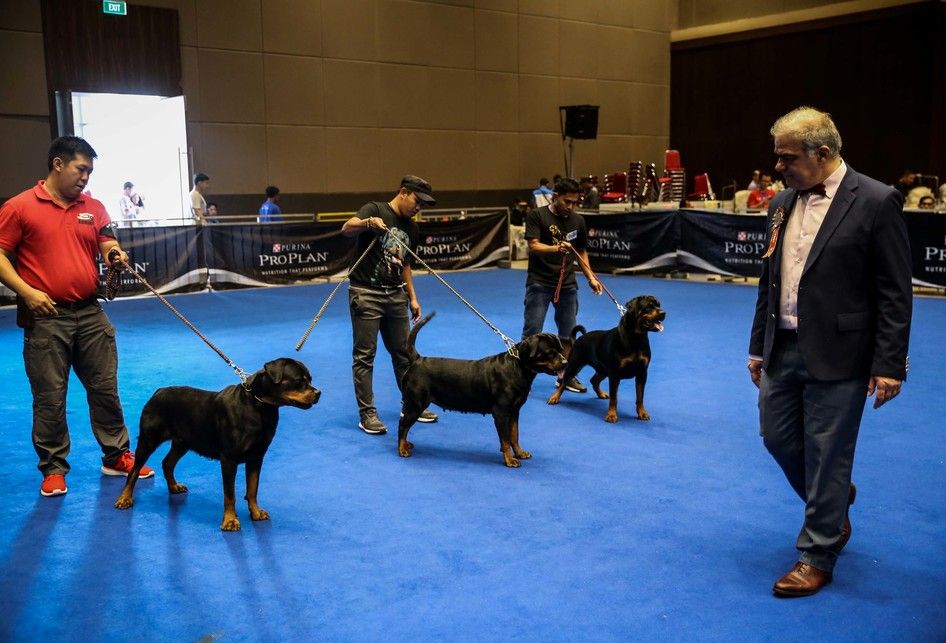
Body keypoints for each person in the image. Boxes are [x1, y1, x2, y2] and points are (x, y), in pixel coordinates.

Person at [748, 107, 912, 597]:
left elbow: (894, 292)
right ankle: (834, 501)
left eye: (787, 157)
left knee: (828, 453)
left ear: (823, 154)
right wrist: (759, 345)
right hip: (783, 346)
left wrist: (888, 364)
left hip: (843, 353)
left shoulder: (879, 201)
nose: (778, 166)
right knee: (776, 438)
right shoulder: (780, 202)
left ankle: (818, 551)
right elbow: (768, 280)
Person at [0, 136, 155, 497]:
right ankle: (53, 468)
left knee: (105, 389)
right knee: (50, 397)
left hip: (89, 312)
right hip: (45, 316)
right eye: (80, 169)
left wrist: (115, 254)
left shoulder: (94, 207)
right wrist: (26, 291)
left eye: (89, 171)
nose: (85, 177)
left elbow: (106, 241)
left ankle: (116, 456)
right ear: (58, 164)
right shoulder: (20, 207)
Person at [341, 175, 440, 435]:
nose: (419, 208)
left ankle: (411, 404)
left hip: (395, 296)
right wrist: (366, 223)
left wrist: (413, 298)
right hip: (366, 293)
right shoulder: (375, 209)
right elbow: (347, 228)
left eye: (423, 206)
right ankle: (367, 414)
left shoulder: (412, 228)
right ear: (404, 192)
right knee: (364, 356)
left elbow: (406, 264)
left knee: (405, 354)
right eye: (417, 202)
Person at [522, 177, 603, 393]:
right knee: (532, 332)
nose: (571, 206)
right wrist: (556, 249)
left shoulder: (578, 221)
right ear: (555, 197)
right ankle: (522, 375)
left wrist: (591, 278)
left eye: (575, 202)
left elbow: (581, 251)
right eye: (567, 201)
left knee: (568, 334)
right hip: (539, 282)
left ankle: (566, 376)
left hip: (567, 284)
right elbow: (534, 245)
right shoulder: (537, 215)